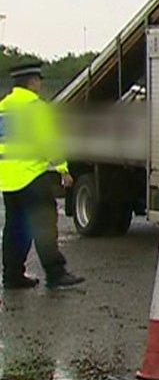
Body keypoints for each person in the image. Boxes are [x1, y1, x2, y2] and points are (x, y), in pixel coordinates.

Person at [0, 62, 84, 289]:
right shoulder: (36, 108)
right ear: (31, 82)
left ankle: (12, 276)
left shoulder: (3, 107)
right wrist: (63, 169)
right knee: (44, 225)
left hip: (7, 180)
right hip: (31, 176)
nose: (40, 83)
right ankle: (55, 273)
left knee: (14, 228)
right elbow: (49, 141)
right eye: (39, 79)